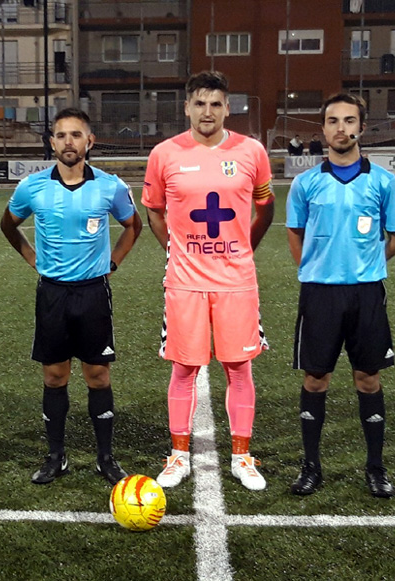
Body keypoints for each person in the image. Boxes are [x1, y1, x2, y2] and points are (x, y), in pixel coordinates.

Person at [142, 71, 275, 491]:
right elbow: (155, 210)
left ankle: (242, 456)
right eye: (199, 103)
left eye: (215, 103)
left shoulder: (252, 151)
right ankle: (179, 455)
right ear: (186, 108)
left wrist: (243, 247)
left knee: (239, 367)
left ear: (227, 107)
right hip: (185, 282)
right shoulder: (164, 154)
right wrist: (175, 250)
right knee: (184, 368)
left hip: (237, 281)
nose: (207, 111)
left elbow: (265, 207)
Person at [1, 108, 142, 485]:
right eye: (61, 135)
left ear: (89, 141)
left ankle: (106, 458)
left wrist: (113, 262)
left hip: (94, 292)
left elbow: (133, 225)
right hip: (53, 294)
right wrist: (31, 257)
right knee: (54, 376)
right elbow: (8, 225)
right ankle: (55, 456)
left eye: (76, 135)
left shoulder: (110, 186)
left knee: (97, 375)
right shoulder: (33, 187)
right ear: (52, 143)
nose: (68, 141)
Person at [286, 93, 395, 498]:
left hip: (367, 294)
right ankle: (311, 467)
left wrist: (369, 263)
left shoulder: (384, 181)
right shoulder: (305, 183)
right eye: (333, 121)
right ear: (322, 129)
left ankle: (375, 467)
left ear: (361, 127)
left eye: (349, 120)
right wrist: (313, 268)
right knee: (316, 379)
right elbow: (294, 232)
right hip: (320, 294)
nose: (341, 128)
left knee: (367, 379)